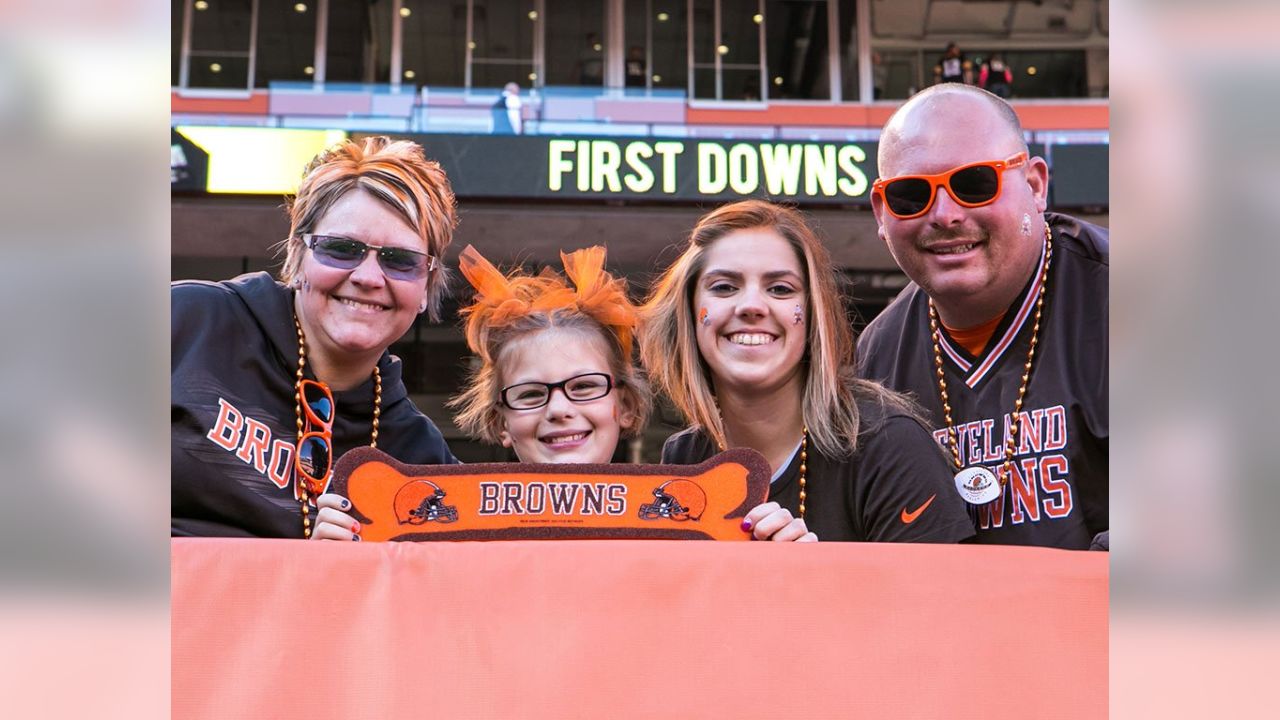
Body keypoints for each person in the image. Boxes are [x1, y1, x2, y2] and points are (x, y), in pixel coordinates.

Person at [858, 84, 1108, 549]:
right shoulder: (876, 357)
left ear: (1035, 185)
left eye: (975, 184)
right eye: (911, 195)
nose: (945, 215)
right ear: (881, 211)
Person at [171, 136, 459, 538]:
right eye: (341, 249)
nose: (368, 278)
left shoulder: (420, 459)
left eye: (400, 260)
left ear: (426, 287)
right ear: (297, 256)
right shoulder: (187, 323)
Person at [640, 200, 975, 543]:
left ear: (814, 316)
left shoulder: (888, 444)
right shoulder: (686, 459)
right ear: (688, 312)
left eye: (780, 289)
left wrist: (814, 580)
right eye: (724, 287)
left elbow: (942, 595)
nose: (752, 305)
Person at [310, 244, 652, 540]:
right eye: (530, 394)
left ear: (624, 406)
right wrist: (343, 558)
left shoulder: (676, 525)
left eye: (584, 387)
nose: (559, 409)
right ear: (500, 421)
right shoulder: (441, 524)